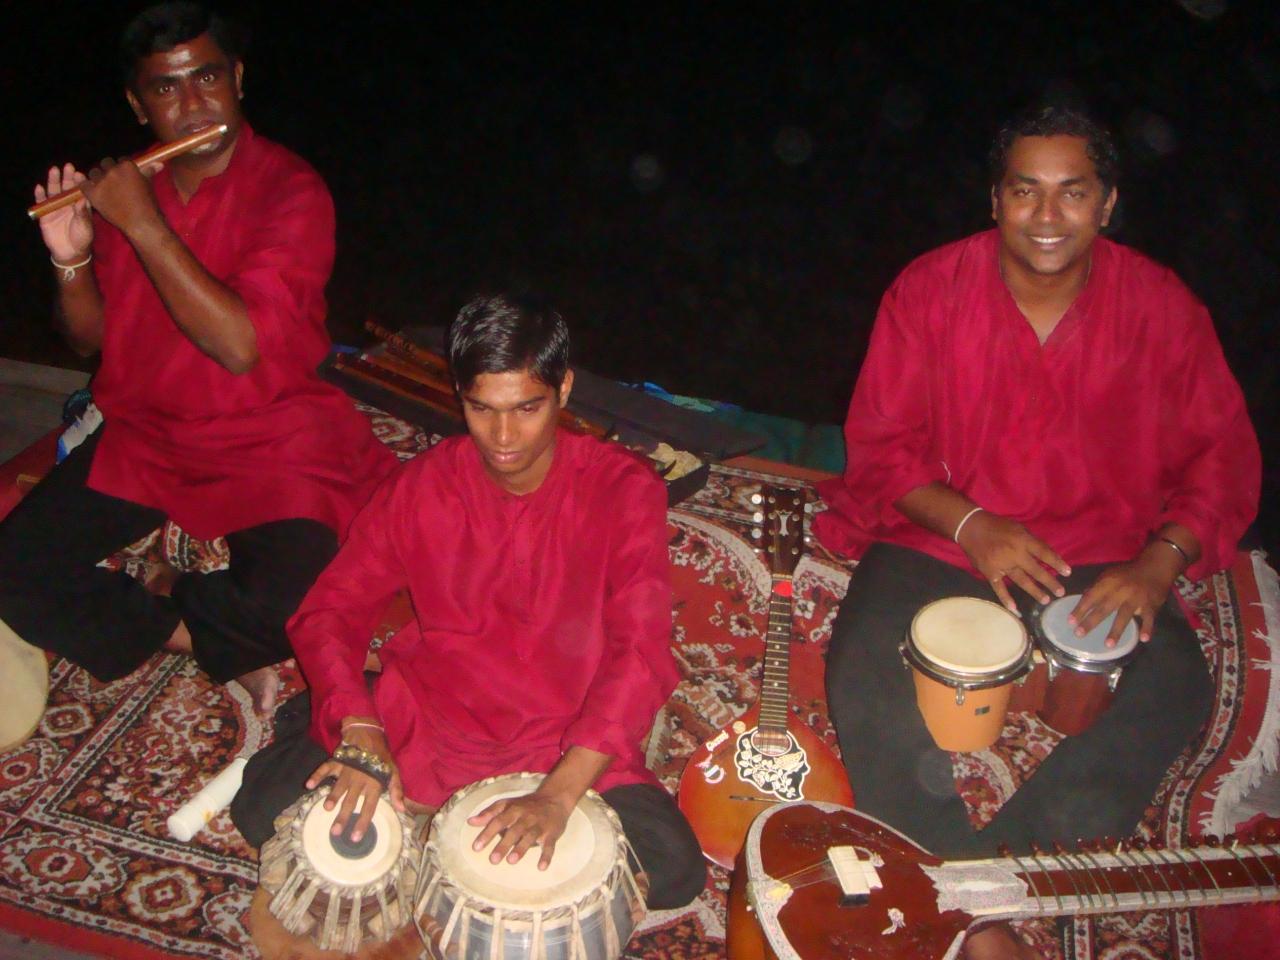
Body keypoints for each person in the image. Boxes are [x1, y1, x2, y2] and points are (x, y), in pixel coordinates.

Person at [814, 104, 1260, 957]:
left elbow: (1222, 460)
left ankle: (978, 888)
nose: (1046, 215)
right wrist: (974, 524)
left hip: (1099, 552)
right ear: (996, 200)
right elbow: (881, 447)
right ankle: (983, 920)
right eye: (1025, 191)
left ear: (1107, 203)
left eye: (1072, 192)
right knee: (862, 668)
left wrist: (1157, 564)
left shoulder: (1162, 308)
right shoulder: (929, 289)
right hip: (948, 537)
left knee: (1175, 686)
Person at [232, 294, 706, 910]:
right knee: (261, 810)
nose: (503, 437)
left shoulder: (624, 489)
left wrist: (559, 794)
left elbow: (640, 650)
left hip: (565, 732)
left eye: (527, 408)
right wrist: (359, 723)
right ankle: (329, 724)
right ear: (460, 394)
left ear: (563, 388)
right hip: (430, 721)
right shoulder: (422, 486)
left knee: (672, 870)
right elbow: (331, 610)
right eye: (482, 408)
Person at [0, 3, 395, 712]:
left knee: (308, 601)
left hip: (270, 434)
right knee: (11, 567)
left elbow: (240, 347)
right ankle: (193, 636)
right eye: (166, 87)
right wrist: (71, 258)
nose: (192, 103)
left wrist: (142, 223)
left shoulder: (291, 191)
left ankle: (178, 590)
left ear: (237, 79)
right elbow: (89, 339)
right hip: (148, 436)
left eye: (206, 77)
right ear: (138, 104)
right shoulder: (132, 191)